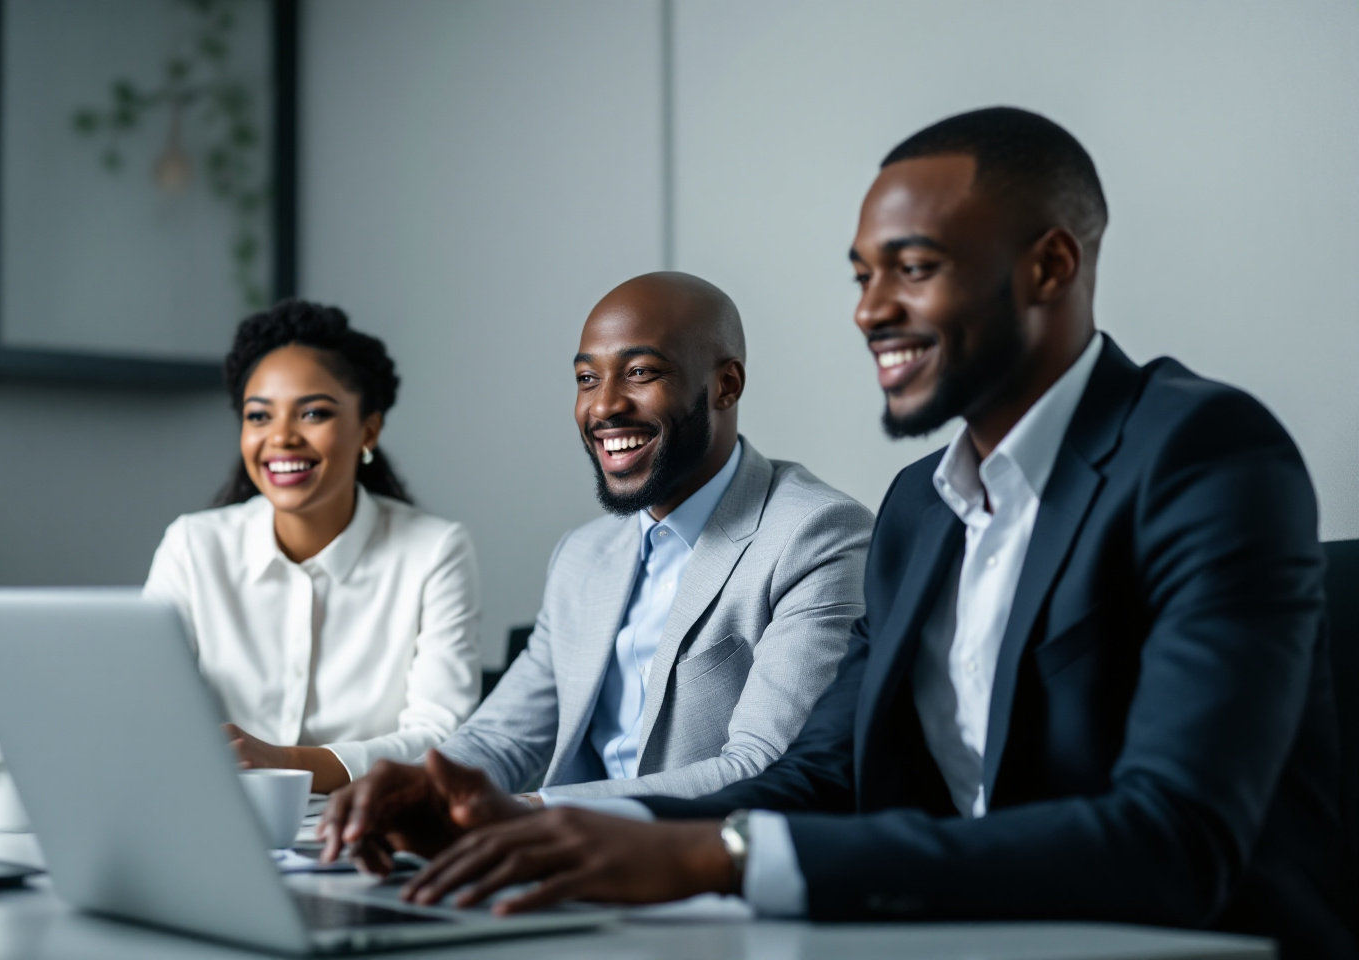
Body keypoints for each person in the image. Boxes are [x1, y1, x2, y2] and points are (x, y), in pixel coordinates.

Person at [320, 110, 1354, 959]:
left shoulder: (1204, 453)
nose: (870, 310)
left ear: (1048, 266)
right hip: (968, 938)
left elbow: (1172, 838)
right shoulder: (921, 508)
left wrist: (723, 858)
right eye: (861, 274)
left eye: (912, 268)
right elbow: (821, 774)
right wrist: (564, 827)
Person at [317, 272, 872, 827]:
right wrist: (415, 791)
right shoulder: (583, 557)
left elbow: (762, 769)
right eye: (587, 378)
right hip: (557, 866)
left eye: (640, 373)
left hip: (696, 874)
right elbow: (503, 737)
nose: (603, 406)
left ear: (725, 385)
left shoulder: (816, 535)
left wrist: (528, 810)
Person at [144, 300, 481, 793]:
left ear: (369, 428)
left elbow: (441, 738)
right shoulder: (193, 546)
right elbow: (145, 704)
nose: (281, 437)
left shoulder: (435, 550)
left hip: (363, 825)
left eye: (313, 413)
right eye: (258, 416)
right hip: (214, 812)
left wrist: (284, 762)